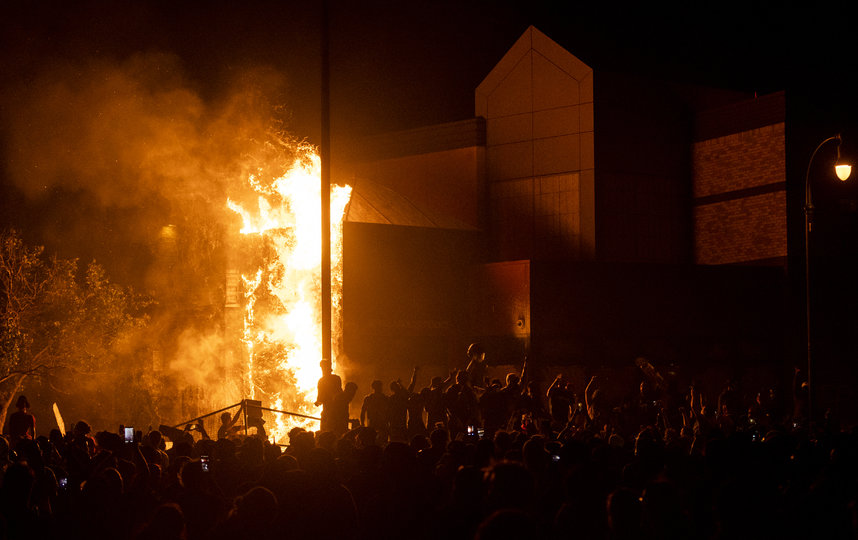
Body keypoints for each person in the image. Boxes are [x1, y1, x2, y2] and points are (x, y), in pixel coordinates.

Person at [315, 359, 343, 434]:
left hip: (328, 412)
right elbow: (340, 393)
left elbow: (320, 397)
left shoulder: (322, 381)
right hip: (338, 412)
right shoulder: (337, 378)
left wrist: (317, 402)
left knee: (326, 432)